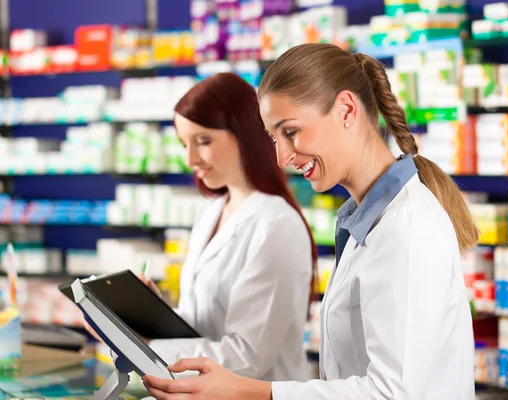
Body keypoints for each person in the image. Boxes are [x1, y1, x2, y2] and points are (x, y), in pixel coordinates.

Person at [143, 43, 479, 400]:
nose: (282, 157)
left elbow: (392, 393)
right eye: (274, 138)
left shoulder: (405, 227)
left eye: (290, 132)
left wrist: (253, 391)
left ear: (347, 110)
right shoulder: (364, 220)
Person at [86, 72, 317, 383]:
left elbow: (247, 358)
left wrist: (147, 348)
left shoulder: (277, 225)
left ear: (246, 132)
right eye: (184, 143)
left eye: (203, 141)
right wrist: (154, 315)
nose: (190, 158)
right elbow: (204, 327)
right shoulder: (212, 210)